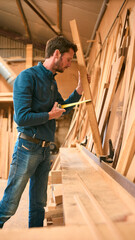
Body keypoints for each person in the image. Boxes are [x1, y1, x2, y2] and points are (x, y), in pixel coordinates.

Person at [0, 36, 83, 228]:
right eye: (68, 59)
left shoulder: (51, 82)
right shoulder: (27, 77)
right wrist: (49, 116)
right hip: (27, 148)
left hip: (45, 150)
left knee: (39, 205)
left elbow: (62, 108)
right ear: (56, 54)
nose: (70, 64)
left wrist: (78, 92)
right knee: (10, 205)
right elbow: (21, 117)